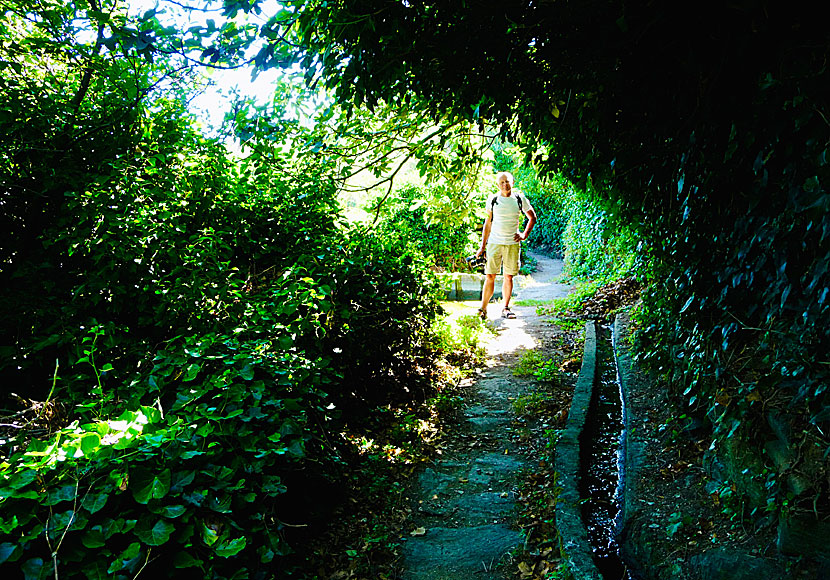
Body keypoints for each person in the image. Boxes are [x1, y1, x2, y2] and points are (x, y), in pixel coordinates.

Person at [474, 171, 537, 320]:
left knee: (508, 277)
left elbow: (532, 217)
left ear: (512, 182)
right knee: (490, 276)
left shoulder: (519, 199)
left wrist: (524, 235)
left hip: (512, 244)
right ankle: (483, 309)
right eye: (502, 182)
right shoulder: (493, 199)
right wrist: (482, 246)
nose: (505, 185)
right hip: (494, 243)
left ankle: (506, 308)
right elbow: (487, 223)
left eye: (507, 181)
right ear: (498, 185)